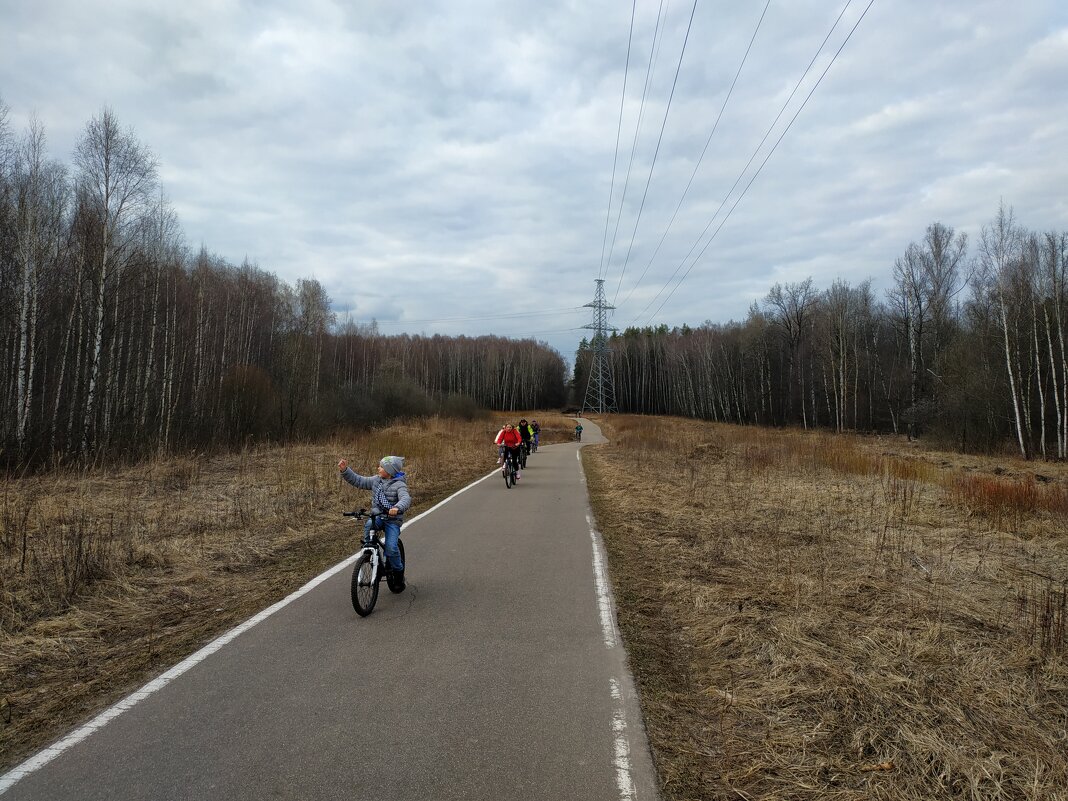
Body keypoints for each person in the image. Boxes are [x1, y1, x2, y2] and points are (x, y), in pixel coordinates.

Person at [337, 455, 411, 589]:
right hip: (377, 516)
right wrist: (345, 470)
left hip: (392, 520)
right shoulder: (376, 480)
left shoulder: (399, 484)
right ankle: (369, 550)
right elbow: (359, 481)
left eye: (382, 467)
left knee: (391, 548)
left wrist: (397, 507)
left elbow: (405, 498)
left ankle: (398, 574)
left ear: (390, 471)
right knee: (370, 525)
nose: (378, 468)